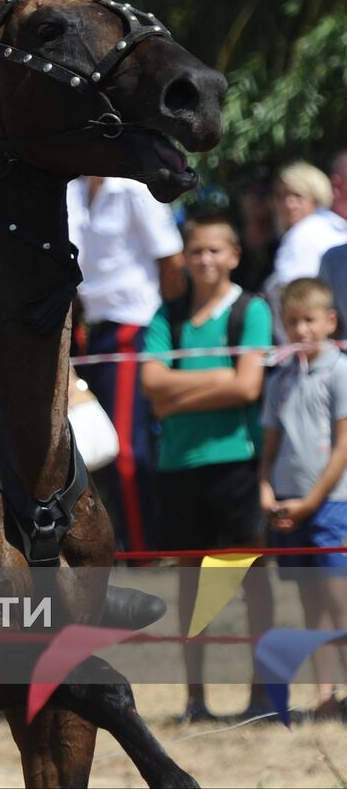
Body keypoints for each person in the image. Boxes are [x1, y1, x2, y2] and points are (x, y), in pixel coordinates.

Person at [139, 215, 274, 723]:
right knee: (191, 589)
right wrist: (219, 377)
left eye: (216, 250)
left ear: (234, 255)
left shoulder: (251, 310)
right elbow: (151, 383)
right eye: (196, 250)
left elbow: (248, 388)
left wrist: (177, 396)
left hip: (236, 464)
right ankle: (195, 699)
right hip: (178, 468)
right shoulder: (166, 315)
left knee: (252, 585)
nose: (205, 259)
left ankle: (261, 694)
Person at [67, 176, 185, 552]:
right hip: (90, 326)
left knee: (125, 446)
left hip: (134, 324)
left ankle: (142, 548)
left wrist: (168, 324)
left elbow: (171, 259)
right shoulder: (71, 187)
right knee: (93, 440)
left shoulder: (132, 187)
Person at [259, 277, 347, 720]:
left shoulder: (340, 370)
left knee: (341, 602)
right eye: (291, 322)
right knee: (313, 608)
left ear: (330, 321)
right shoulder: (281, 379)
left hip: (333, 506)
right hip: (290, 508)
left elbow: (343, 446)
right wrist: (267, 491)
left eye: (309, 320)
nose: (301, 331)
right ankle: (325, 698)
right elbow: (269, 446)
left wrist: (312, 501)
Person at [263, 162, 347, 340]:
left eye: (297, 195)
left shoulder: (302, 234)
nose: (289, 203)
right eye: (281, 196)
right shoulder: (337, 226)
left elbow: (297, 301)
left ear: (316, 197)